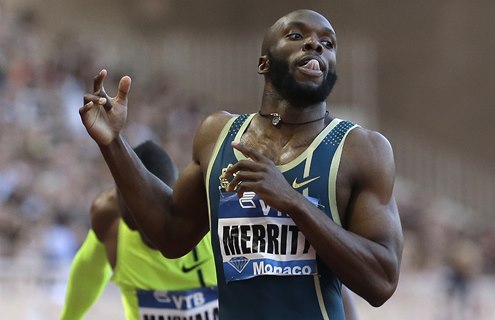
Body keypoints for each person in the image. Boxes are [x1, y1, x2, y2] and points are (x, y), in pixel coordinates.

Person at [79, 9, 403, 319]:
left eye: (328, 43)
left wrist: (293, 203)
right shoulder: (217, 135)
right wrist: (113, 143)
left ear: (332, 69)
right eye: (296, 35)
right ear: (264, 63)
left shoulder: (362, 149)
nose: (315, 44)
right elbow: (169, 233)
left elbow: (382, 281)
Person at [60, 141, 218, 320]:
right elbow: (89, 269)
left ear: (177, 195)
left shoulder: (211, 213)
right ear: (119, 204)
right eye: (139, 223)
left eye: (161, 219)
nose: (151, 230)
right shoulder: (108, 218)